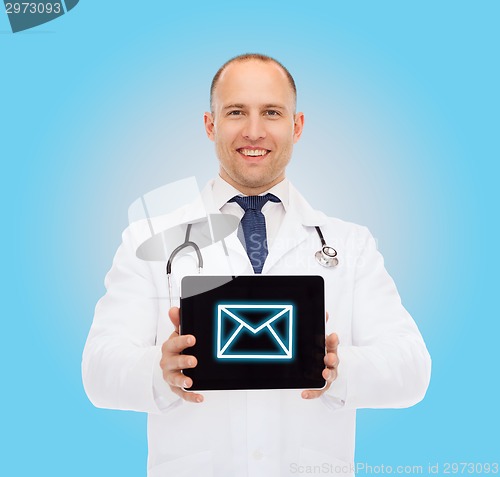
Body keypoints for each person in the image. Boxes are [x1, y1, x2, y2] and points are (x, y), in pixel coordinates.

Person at [82, 53, 431, 477]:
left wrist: (339, 368)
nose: (253, 131)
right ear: (210, 125)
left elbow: (412, 369)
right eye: (235, 112)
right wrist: (160, 371)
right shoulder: (149, 240)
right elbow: (97, 370)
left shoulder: (349, 244)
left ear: (296, 126)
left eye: (271, 112)